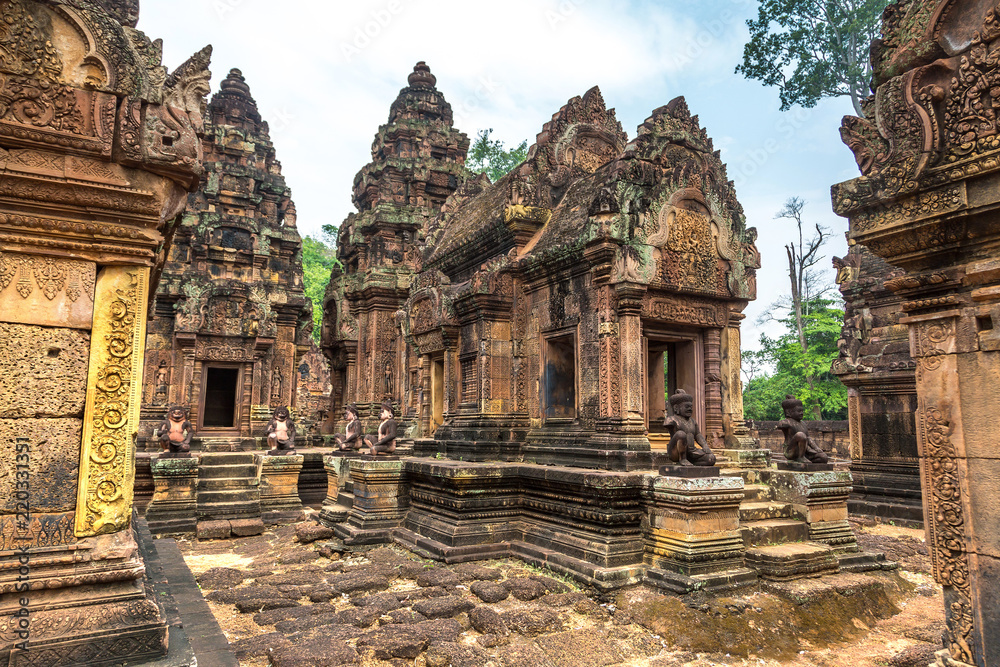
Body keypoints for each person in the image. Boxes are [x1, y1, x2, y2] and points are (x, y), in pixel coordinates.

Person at [662, 389, 716, 466]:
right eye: (687, 407)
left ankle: (691, 463)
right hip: (675, 452)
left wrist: (705, 446)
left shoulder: (693, 422)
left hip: (692, 451)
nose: (690, 409)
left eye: (691, 407)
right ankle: (683, 459)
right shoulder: (671, 419)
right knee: (681, 434)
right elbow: (669, 427)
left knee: (711, 459)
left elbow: (698, 435)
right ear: (676, 408)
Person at [777, 395, 830, 464]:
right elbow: (780, 425)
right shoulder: (787, 422)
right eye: (798, 411)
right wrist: (782, 424)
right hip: (791, 451)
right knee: (800, 435)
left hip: (806, 452)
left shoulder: (803, 424)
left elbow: (808, 438)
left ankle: (806, 460)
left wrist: (816, 448)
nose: (801, 413)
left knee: (824, 457)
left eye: (802, 411)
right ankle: (800, 458)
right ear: (789, 412)